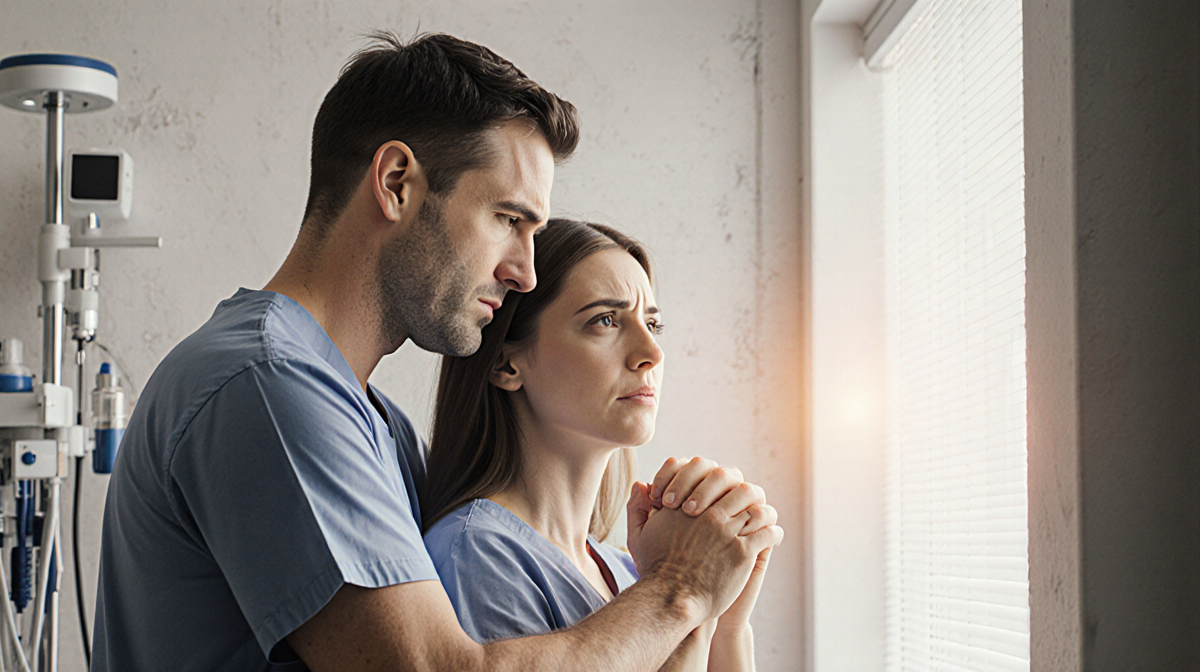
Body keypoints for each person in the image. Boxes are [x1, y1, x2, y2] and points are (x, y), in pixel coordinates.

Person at [93, 32, 782, 672]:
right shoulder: (267, 386)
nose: (524, 272)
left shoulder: (375, 428)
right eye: (508, 220)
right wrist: (682, 590)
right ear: (396, 182)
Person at [423, 219, 774, 671]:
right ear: (505, 364)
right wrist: (689, 595)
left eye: (653, 323)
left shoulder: (631, 571)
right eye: (605, 321)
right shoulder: (477, 555)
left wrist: (725, 620)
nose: (651, 351)